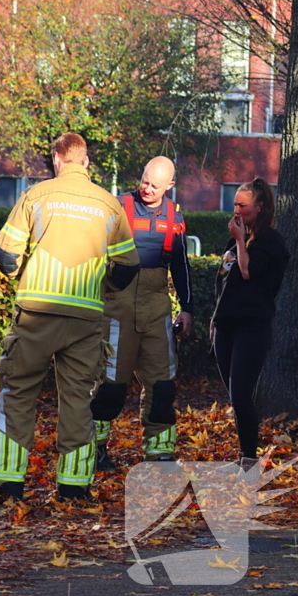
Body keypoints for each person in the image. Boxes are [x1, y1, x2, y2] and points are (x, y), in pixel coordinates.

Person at [0, 133, 140, 500]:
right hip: (85, 322)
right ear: (85, 161)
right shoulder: (109, 204)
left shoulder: (36, 196)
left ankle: (8, 484)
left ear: (58, 158)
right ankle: (73, 488)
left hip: (34, 317)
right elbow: (127, 265)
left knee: (17, 393)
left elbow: (5, 254)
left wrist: (21, 275)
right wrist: (99, 289)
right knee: (78, 401)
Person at [89, 156, 193, 469]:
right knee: (110, 382)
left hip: (157, 305)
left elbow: (181, 264)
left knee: (163, 383)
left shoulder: (174, 215)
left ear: (170, 186)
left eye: (155, 185)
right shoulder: (117, 206)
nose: (147, 189)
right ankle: (94, 449)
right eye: (145, 181)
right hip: (117, 305)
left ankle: (159, 452)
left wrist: (187, 307)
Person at [211, 178, 289, 469]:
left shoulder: (271, 241)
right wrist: (214, 319)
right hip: (226, 325)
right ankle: (244, 455)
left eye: (243, 205)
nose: (237, 210)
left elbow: (248, 272)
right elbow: (224, 280)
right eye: (234, 204)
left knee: (242, 393)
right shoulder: (236, 239)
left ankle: (249, 459)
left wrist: (241, 241)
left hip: (252, 327)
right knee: (234, 393)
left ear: (260, 206)